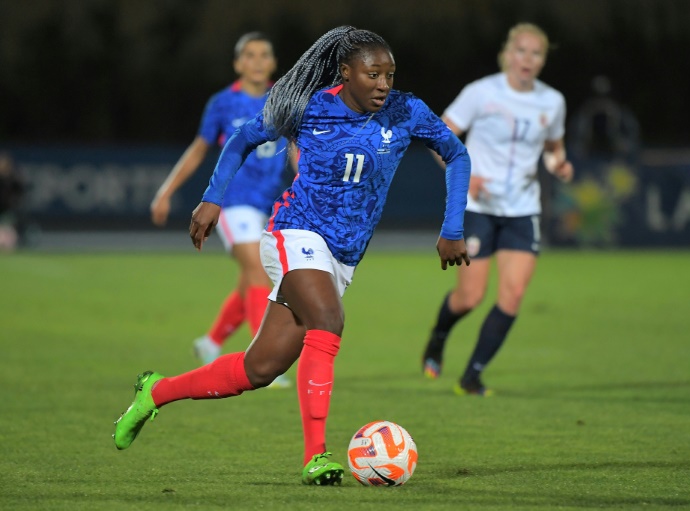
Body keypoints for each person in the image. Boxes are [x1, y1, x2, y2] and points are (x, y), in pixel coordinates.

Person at [114, 26, 471, 486]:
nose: (384, 84)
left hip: (343, 256)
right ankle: (315, 456)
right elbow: (242, 138)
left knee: (259, 369)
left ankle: (155, 392)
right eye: (373, 74)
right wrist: (212, 198)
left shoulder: (406, 110)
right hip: (295, 231)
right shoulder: (309, 106)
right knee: (329, 319)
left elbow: (456, 155)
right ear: (346, 72)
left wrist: (452, 227)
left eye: (390, 74)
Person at [420, 23, 574, 396]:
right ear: (507, 53)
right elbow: (438, 136)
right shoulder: (482, 92)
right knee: (470, 298)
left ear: (543, 60)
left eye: (536, 53)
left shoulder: (552, 101)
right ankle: (439, 336)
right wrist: (464, 176)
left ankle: (471, 377)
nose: (527, 59)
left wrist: (559, 164)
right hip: (478, 207)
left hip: (523, 209)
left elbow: (554, 147)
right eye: (521, 50)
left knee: (513, 295)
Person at [149, 32, 295, 388]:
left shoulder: (284, 100)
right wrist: (166, 191)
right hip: (232, 203)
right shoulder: (222, 103)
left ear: (273, 63)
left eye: (264, 55)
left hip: (269, 205)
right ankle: (265, 361)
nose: (257, 61)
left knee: (250, 279)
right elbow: (199, 149)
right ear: (238, 63)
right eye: (250, 55)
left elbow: (295, 149)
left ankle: (210, 342)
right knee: (260, 271)